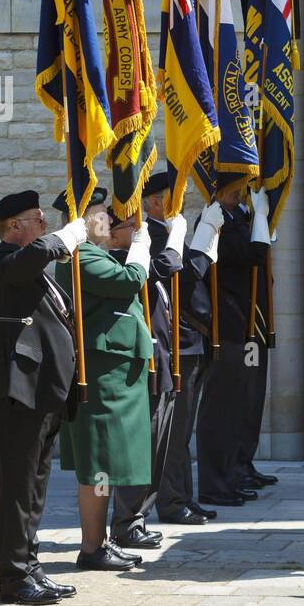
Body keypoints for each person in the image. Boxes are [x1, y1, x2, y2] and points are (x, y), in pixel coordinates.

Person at [0, 191, 87, 606]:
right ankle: (13, 576)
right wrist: (64, 237)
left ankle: (29, 565)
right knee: (15, 489)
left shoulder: (33, 269)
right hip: (18, 394)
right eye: (38, 220)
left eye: (46, 220)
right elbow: (29, 259)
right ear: (14, 228)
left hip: (44, 393)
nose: (45, 225)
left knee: (34, 488)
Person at [53, 189, 153, 572]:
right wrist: (141, 245)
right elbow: (128, 281)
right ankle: (93, 546)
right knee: (98, 464)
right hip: (102, 373)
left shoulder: (92, 253)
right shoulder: (81, 255)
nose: (108, 221)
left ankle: (101, 542)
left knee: (107, 462)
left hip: (113, 370)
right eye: (99, 214)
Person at [107, 189, 194, 550]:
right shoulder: (117, 262)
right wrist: (178, 235)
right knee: (141, 449)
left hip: (161, 361)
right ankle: (126, 521)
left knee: (157, 447)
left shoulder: (137, 259)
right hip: (140, 368)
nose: (138, 228)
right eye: (132, 225)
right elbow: (168, 264)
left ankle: (138, 516)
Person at [143, 172, 220, 527]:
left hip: (192, 340)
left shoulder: (169, 233)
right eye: (173, 198)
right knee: (175, 432)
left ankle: (183, 496)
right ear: (156, 203)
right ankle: (172, 502)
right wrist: (205, 242)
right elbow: (185, 275)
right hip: (178, 344)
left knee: (183, 428)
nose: (181, 204)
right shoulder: (154, 236)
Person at [195, 186, 274, 506]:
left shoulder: (237, 217)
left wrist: (261, 220)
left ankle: (234, 471)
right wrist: (262, 221)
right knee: (221, 409)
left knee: (242, 402)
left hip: (244, 323)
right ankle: (215, 482)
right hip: (224, 326)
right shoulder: (214, 221)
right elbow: (253, 253)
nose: (241, 193)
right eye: (235, 187)